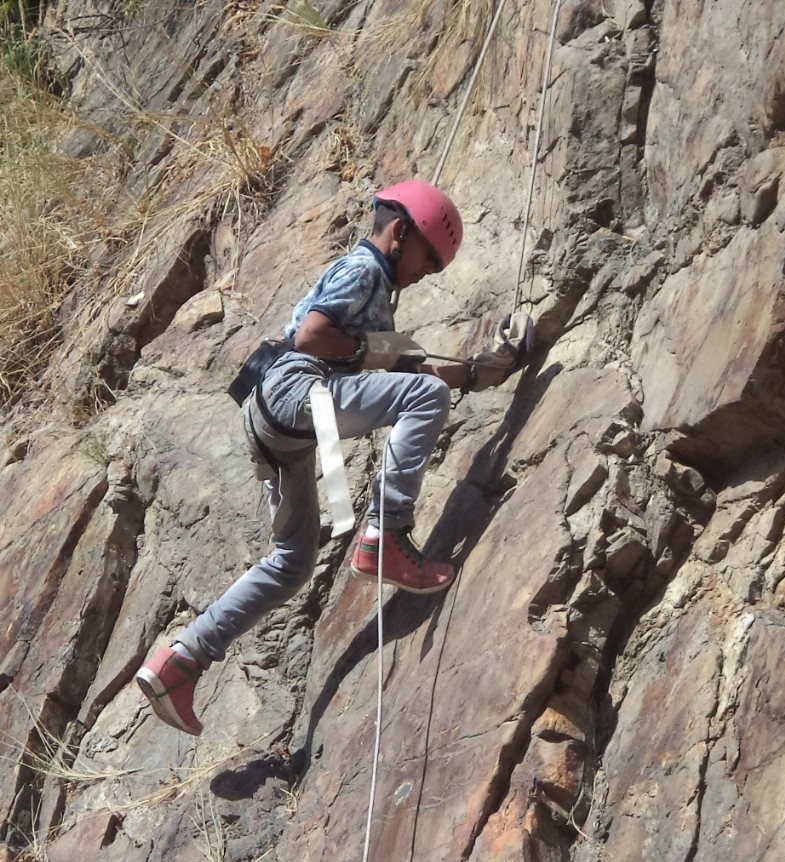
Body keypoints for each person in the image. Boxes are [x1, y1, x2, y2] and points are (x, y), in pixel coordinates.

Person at [135, 179, 529, 735]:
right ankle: (387, 534)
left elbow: (404, 371)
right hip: (296, 393)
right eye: (428, 260)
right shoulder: (364, 270)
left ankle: (181, 661)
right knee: (426, 399)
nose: (426, 273)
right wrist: (375, 354)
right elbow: (313, 335)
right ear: (400, 232)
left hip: (278, 426)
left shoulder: (377, 298)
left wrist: (478, 371)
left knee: (292, 564)